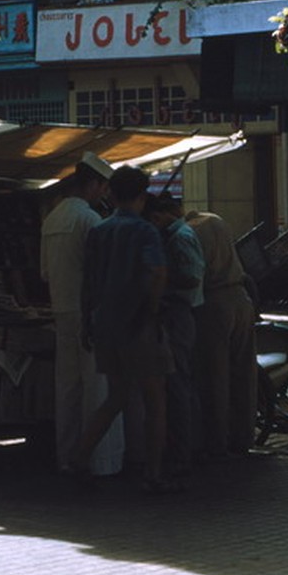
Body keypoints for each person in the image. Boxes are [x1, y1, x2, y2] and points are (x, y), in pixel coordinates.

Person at [72, 165, 177, 494]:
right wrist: (152, 308)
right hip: (140, 325)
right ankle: (154, 474)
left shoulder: (99, 231)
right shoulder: (145, 231)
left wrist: (86, 321)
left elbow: (88, 282)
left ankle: (79, 460)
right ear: (142, 196)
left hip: (105, 325)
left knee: (115, 398)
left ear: (112, 194)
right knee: (155, 402)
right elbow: (158, 271)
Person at [40, 152, 123, 477]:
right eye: (103, 187)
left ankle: (67, 455)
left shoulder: (52, 219)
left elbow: (45, 273)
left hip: (61, 310)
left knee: (68, 387)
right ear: (93, 184)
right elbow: (102, 274)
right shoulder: (89, 220)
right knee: (97, 387)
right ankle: (101, 461)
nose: (104, 195)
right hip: (88, 313)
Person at [185, 207, 257, 459]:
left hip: (213, 302)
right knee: (244, 373)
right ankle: (244, 436)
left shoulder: (189, 231)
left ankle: (217, 442)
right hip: (239, 297)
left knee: (215, 376)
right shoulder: (216, 220)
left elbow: (194, 273)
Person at [144, 193, 204, 476]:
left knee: (179, 384)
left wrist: (159, 278)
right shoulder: (178, 233)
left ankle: (183, 452)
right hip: (180, 314)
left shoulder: (179, 237)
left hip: (180, 313)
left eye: (156, 219)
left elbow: (192, 277)